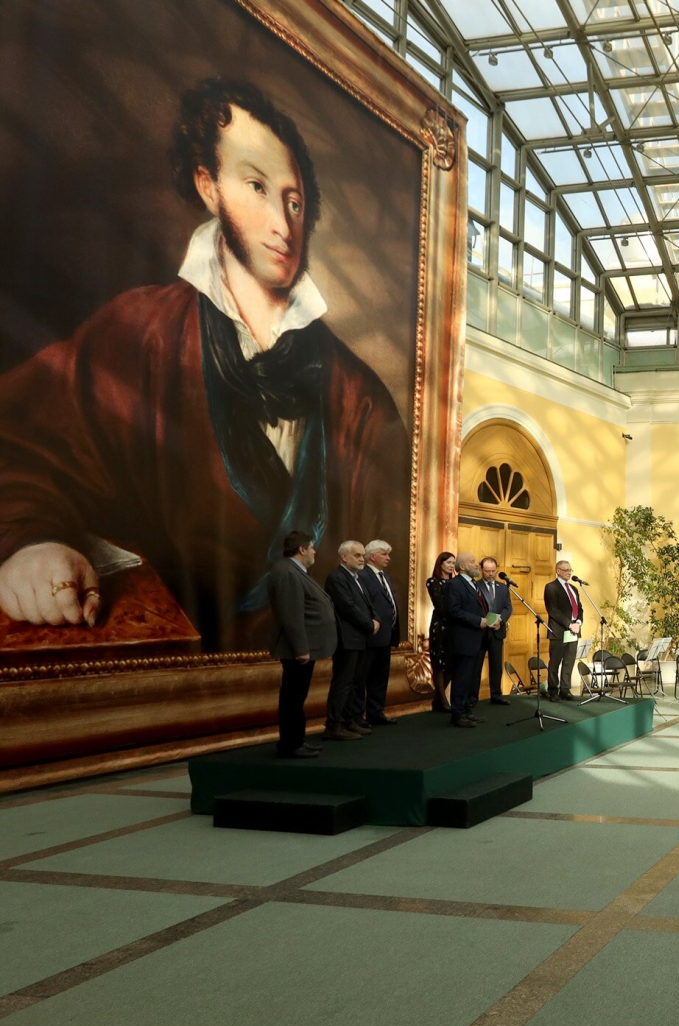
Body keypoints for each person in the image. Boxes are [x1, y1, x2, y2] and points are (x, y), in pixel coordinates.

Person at [0, 77, 407, 651]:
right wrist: (32, 544)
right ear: (208, 185)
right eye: (257, 186)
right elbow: (23, 446)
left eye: (293, 201)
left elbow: (392, 550)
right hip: (171, 665)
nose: (281, 221)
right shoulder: (138, 335)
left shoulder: (357, 395)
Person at [266, 530, 335, 759]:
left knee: (297, 697)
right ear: (302, 549)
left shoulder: (294, 570)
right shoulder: (287, 572)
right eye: (312, 547)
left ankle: (297, 740)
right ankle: (291, 744)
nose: (315, 551)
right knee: (293, 698)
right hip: (297, 650)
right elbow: (291, 615)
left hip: (304, 648)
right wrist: (301, 649)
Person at [322, 540, 377, 741]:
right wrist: (370, 624)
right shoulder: (337, 578)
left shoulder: (357, 578)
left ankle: (349, 720)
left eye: (363, 555)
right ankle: (334, 724)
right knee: (343, 682)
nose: (362, 559)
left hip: (360, 638)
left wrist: (376, 619)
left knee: (356, 682)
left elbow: (367, 605)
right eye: (357, 555)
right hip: (347, 639)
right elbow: (348, 607)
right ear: (344, 557)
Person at [442, 553, 489, 728]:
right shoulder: (454, 585)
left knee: (470, 677)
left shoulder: (473, 584)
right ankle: (458, 714)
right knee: (461, 677)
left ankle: (466, 710)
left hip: (476, 638)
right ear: (462, 567)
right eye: (472, 562)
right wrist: (478, 621)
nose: (476, 565)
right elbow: (454, 610)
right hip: (462, 638)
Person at [359, 540, 399, 726]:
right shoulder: (363, 576)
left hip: (386, 636)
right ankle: (358, 716)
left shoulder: (385, 576)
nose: (388, 558)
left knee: (380, 677)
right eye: (384, 554)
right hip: (371, 636)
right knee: (363, 678)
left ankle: (376, 712)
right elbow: (365, 605)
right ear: (372, 556)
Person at [544, 560, 585, 702]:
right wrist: (569, 624)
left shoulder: (573, 589)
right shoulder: (551, 587)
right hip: (559, 631)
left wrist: (578, 622)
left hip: (574, 631)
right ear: (558, 571)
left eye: (570, 570)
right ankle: (553, 691)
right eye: (566, 570)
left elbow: (579, 608)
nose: (569, 573)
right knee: (555, 662)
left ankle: (565, 689)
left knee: (569, 661)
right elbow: (553, 610)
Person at [476, 557, 512, 705]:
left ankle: (496, 695)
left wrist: (500, 620)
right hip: (480, 632)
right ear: (481, 570)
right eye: (487, 571)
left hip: (497, 631)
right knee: (476, 666)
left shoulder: (503, 587)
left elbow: (508, 607)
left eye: (493, 571)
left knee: (496, 666)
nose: (490, 574)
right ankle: (472, 697)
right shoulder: (476, 586)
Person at [424, 551, 456, 712]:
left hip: (455, 626)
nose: (451, 566)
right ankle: (442, 700)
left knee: (451, 663)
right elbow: (440, 605)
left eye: (453, 563)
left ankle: (438, 699)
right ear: (440, 564)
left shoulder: (456, 582)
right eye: (448, 562)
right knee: (439, 662)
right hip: (440, 625)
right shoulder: (433, 582)